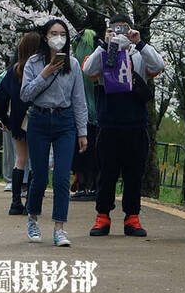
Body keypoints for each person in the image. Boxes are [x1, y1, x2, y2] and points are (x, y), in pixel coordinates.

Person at [83, 14, 165, 238]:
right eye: (115, 29)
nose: (120, 33)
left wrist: (139, 42)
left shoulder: (138, 54)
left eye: (124, 29)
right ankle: (102, 217)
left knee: (134, 174)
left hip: (135, 124)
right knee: (106, 173)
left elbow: (158, 65)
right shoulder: (103, 52)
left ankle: (132, 217)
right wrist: (105, 46)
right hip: (108, 124)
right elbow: (88, 71)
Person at [20, 19, 89, 247]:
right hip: (39, 120)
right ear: (45, 36)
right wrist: (45, 73)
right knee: (39, 175)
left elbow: (79, 99)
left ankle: (60, 227)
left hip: (64, 121)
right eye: (53, 33)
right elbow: (25, 94)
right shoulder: (33, 62)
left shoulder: (73, 64)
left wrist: (82, 131)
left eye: (62, 33)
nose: (58, 37)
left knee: (61, 177)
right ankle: (33, 217)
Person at [0, 30, 40, 215]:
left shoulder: (13, 72)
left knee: (20, 160)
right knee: (37, 161)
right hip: (38, 118)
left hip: (18, 120)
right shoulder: (40, 70)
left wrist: (5, 119)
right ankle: (31, 201)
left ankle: (15, 202)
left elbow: (0, 98)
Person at [71, 23, 99, 200]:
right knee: (96, 152)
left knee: (80, 152)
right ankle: (94, 185)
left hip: (78, 115)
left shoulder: (74, 61)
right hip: (97, 115)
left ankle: (82, 186)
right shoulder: (97, 59)